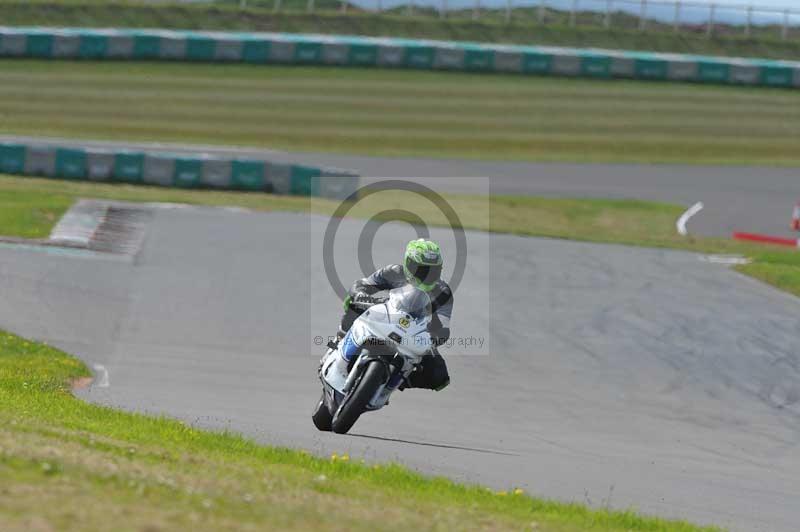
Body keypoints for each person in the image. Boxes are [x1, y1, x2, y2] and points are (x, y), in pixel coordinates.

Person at [339, 238, 452, 391]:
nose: (427, 275)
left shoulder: (443, 292)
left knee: (440, 377)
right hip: (388, 313)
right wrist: (361, 295)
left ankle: (395, 381)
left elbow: (443, 325)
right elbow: (362, 284)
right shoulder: (394, 272)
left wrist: (434, 337)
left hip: (416, 329)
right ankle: (339, 341)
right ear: (409, 264)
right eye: (423, 270)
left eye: (433, 271)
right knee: (353, 304)